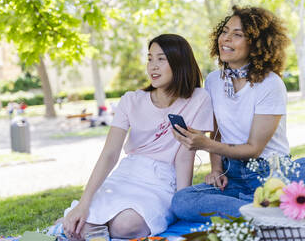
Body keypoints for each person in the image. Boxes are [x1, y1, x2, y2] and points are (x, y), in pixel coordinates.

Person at [171, 6, 305, 222]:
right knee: (182, 200)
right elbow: (216, 132)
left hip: (273, 174)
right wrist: (216, 169)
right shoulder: (214, 81)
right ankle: (267, 212)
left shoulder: (270, 84)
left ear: (255, 44)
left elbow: (254, 149)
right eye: (224, 31)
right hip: (232, 176)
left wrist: (204, 144)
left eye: (237, 35)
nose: (225, 39)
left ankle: (252, 212)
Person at [59, 34, 213, 240]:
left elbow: (185, 156)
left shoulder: (198, 99)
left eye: (161, 59)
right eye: (150, 59)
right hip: (126, 174)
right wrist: (84, 202)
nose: (153, 66)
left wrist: (181, 201)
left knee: (126, 226)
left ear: (179, 62)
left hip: (162, 181)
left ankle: (93, 230)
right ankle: (88, 228)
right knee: (79, 221)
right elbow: (110, 153)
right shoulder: (131, 100)